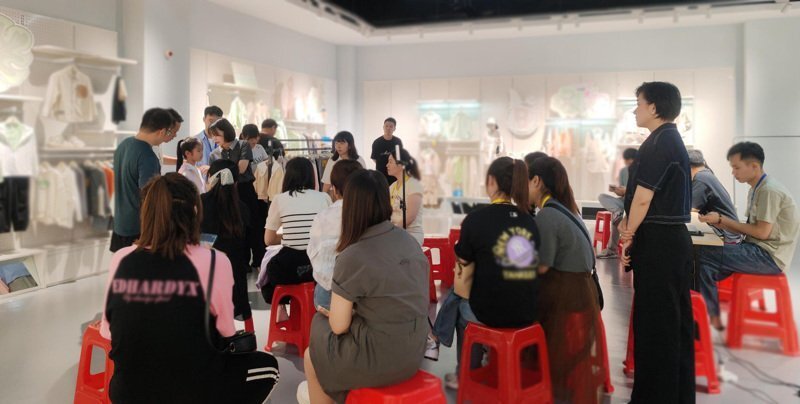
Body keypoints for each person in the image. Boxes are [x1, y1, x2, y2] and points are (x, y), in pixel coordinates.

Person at [100, 173, 279, 403]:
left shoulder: (121, 259)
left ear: (146, 214)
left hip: (128, 393)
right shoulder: (214, 261)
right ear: (194, 212)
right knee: (269, 368)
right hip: (196, 391)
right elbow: (226, 331)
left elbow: (108, 332)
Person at [303, 169, 429, 404]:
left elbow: (338, 326)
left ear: (350, 206)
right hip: (414, 353)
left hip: (380, 359)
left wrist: (339, 314)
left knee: (316, 336)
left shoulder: (353, 255)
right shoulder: (410, 242)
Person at [618, 82, 694, 404]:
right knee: (671, 325)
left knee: (656, 328)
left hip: (660, 244)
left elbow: (642, 198)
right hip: (668, 241)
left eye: (638, 103)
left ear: (653, 107)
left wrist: (628, 234)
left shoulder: (659, 143)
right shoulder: (668, 140)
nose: (635, 109)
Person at [444, 156, 540, 390]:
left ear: (491, 182)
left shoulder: (476, 219)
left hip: (488, 313)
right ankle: (490, 362)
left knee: (462, 303)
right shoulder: (530, 221)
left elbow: (463, 262)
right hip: (527, 312)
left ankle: (466, 374)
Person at [696, 142, 799, 330]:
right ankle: (708, 316)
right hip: (757, 250)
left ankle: (705, 316)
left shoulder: (769, 190)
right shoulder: (757, 188)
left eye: (737, 168)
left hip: (768, 257)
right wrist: (720, 222)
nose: (733, 173)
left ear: (754, 166)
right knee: (704, 265)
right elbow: (752, 229)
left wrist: (723, 220)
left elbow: (761, 232)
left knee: (701, 254)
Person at [529, 157, 603, 404]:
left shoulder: (547, 216)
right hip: (585, 292)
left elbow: (542, 266)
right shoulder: (568, 209)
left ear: (536, 181)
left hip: (566, 295)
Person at [262, 157, 331, 304]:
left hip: (288, 270)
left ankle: (281, 306)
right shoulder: (324, 198)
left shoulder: (279, 199)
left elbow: (268, 240)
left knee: (268, 273)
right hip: (317, 269)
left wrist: (288, 236)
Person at [111, 108, 173, 252]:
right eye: (169, 132)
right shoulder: (147, 156)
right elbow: (151, 198)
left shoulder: (123, 145)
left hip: (119, 225)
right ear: (162, 131)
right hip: (139, 230)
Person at [307, 159, 363, 313]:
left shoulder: (323, 217)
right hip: (365, 297)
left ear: (335, 189)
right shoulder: (372, 215)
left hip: (328, 295)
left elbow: (312, 253)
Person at [209, 118, 265, 269]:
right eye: (213, 135)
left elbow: (241, 169)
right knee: (235, 229)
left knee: (252, 226)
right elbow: (214, 179)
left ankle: (258, 260)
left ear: (226, 132)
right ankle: (242, 263)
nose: (214, 138)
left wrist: (221, 171)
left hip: (245, 190)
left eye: (217, 135)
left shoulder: (242, 145)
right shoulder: (214, 154)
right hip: (225, 193)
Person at [201, 160, 252, 322]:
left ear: (210, 178)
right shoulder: (242, 209)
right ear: (236, 183)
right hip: (236, 288)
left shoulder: (200, 204)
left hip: (205, 284)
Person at [688, 149, 741, 244]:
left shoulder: (701, 178)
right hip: (731, 233)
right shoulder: (706, 174)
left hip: (727, 236)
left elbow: (692, 209)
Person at [597, 147, 637, 258]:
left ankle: (611, 250)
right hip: (624, 201)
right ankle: (617, 212)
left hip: (634, 203)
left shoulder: (642, 171)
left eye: (630, 162)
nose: (628, 165)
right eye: (626, 162)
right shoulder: (623, 171)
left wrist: (627, 191)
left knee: (616, 218)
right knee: (602, 197)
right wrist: (617, 190)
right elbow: (622, 192)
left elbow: (640, 194)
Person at [386, 148, 424, 245]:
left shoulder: (413, 185)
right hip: (395, 232)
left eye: (390, 162)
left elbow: (410, 216)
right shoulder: (392, 187)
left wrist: (392, 232)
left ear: (400, 164)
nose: (387, 165)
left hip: (411, 234)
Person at [371, 117, 403, 185]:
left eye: (391, 126)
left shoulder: (398, 142)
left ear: (394, 128)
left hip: (394, 175)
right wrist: (382, 164)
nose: (388, 128)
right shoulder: (377, 142)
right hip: (380, 174)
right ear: (383, 127)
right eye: (386, 126)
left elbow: (399, 158)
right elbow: (374, 158)